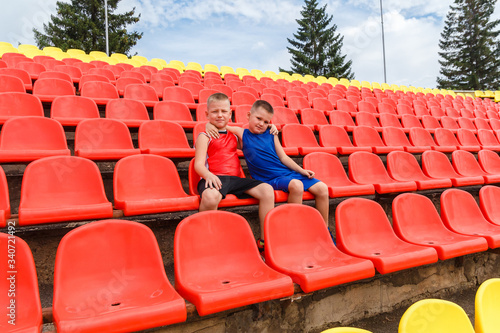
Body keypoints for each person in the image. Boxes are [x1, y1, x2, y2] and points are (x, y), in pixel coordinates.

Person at [206, 99, 331, 244]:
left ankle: (324, 230)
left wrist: (301, 170)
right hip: (268, 178)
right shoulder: (242, 133)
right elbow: (221, 124)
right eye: (258, 118)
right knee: (296, 186)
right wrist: (208, 124)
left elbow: (283, 157)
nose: (261, 124)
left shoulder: (272, 134)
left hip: (285, 173)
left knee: (322, 189)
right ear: (248, 115)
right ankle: (293, 230)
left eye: (266, 121)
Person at [194, 93, 275, 247]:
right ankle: (206, 241)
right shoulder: (204, 136)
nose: (219, 115)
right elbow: (198, 164)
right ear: (207, 114)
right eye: (215, 112)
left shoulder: (235, 134)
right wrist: (208, 175)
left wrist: (272, 126)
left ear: (230, 114)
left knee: (267, 190)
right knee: (210, 197)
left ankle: (264, 242)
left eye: (224, 111)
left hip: (235, 180)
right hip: (214, 177)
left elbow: (256, 134)